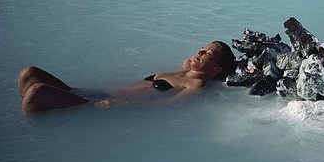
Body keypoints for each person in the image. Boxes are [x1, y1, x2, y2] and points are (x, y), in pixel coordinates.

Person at [18, 41, 236, 114]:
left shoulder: (196, 84)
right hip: (95, 94)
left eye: (207, 53)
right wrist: (194, 63)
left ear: (217, 70)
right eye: (201, 48)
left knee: (37, 93)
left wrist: (124, 104)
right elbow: (190, 63)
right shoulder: (182, 70)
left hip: (102, 105)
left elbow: (167, 107)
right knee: (29, 74)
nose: (199, 52)